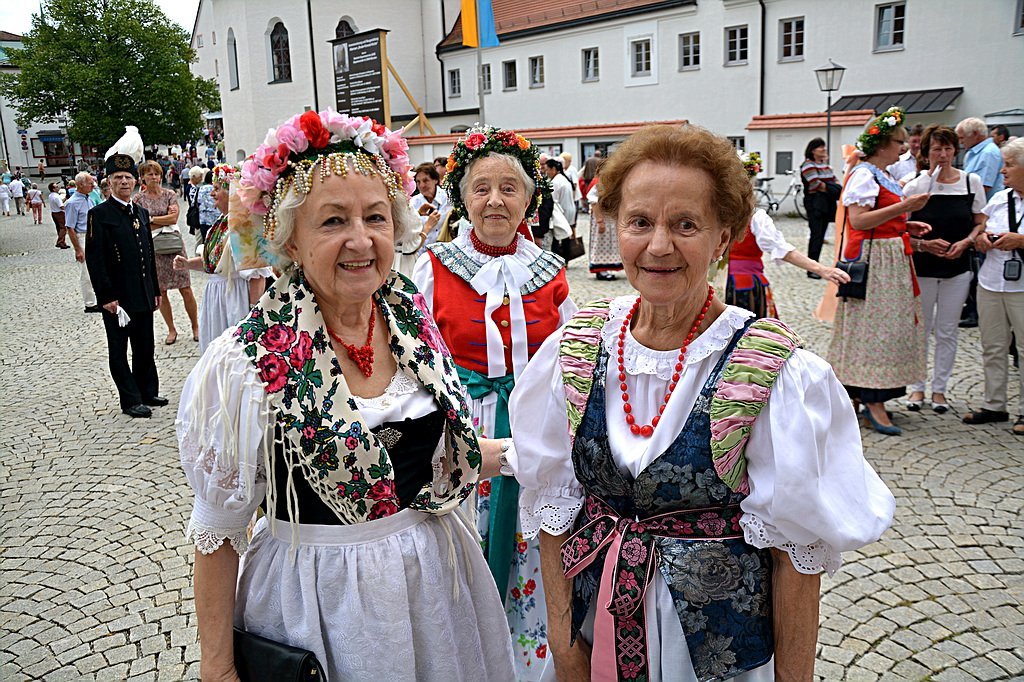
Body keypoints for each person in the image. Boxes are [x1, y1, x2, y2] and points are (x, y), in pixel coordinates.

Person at [506, 124, 895, 681]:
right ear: (617, 229)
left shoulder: (774, 371)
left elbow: (793, 558)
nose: (659, 245)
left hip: (716, 658)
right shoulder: (573, 350)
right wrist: (567, 655)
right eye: (640, 222)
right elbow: (554, 513)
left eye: (685, 224)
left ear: (723, 237)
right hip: (598, 639)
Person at [180, 109, 515, 681]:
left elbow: (429, 458)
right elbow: (218, 530)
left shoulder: (411, 318)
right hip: (320, 603)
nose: (361, 240)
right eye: (333, 221)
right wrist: (218, 669)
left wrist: (520, 456)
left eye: (375, 217)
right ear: (290, 239)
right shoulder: (243, 362)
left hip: (436, 588)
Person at [413, 126, 574, 680]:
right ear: (462, 197)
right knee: (461, 546)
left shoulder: (550, 273)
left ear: (529, 198)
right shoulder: (434, 267)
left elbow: (573, 360)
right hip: (462, 426)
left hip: (535, 426)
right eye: (481, 188)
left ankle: (530, 663)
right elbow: (417, 359)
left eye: (510, 188)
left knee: (535, 545)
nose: (495, 201)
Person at [828, 107, 932, 436]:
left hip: (890, 257)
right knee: (873, 329)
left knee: (887, 329)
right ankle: (871, 399)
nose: (904, 148)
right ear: (883, 143)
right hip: (874, 261)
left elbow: (880, 217)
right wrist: (905, 207)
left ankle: (865, 394)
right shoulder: (864, 174)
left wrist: (906, 223)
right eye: (899, 142)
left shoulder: (882, 175)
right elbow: (858, 220)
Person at [901, 125, 987, 413]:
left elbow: (980, 221)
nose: (943, 154)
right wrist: (923, 245)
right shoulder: (914, 184)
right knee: (920, 329)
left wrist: (967, 242)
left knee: (948, 330)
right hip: (923, 266)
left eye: (948, 148)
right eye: (937, 149)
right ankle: (917, 388)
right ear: (926, 152)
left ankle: (939, 390)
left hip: (957, 266)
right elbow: (900, 228)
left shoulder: (969, 182)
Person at [85, 131, 165, 419]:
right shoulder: (100, 215)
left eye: (127, 178)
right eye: (117, 178)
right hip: (117, 298)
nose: (123, 182)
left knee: (145, 346)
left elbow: (148, 255)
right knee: (119, 351)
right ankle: (130, 399)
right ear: (109, 183)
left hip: (143, 292)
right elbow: (96, 261)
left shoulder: (141, 214)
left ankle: (147, 390)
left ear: (135, 181)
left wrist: (155, 289)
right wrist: (105, 297)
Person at [172, 164, 271, 352]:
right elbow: (215, 264)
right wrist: (187, 264)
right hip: (217, 296)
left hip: (235, 296)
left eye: (217, 189)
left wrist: (252, 313)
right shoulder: (221, 223)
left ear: (231, 192)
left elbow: (257, 275)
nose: (212, 194)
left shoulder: (245, 226)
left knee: (234, 352)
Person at [963, 138, 1024, 436]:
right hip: (991, 280)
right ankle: (994, 404)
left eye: (1010, 165)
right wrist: (982, 240)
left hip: (1022, 286)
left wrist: (1021, 241)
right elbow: (981, 230)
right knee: (993, 345)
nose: (1002, 171)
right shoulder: (1001, 199)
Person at [726, 204, 850, 318]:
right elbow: (782, 250)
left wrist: (821, 270)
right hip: (744, 285)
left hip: (714, 283)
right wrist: (821, 269)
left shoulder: (711, 211)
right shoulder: (754, 217)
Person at [134, 160, 199, 345]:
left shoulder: (169, 194)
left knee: (185, 288)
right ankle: (171, 329)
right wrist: (161, 219)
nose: (154, 177)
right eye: (149, 174)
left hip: (174, 245)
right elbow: (141, 222)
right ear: (143, 177)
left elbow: (174, 217)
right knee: (161, 291)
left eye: (156, 173)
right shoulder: (138, 199)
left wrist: (152, 218)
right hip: (154, 248)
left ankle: (195, 326)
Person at [799, 137, 839, 271]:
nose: (824, 149)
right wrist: (833, 188)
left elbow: (834, 181)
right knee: (816, 235)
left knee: (821, 235)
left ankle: (816, 264)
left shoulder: (825, 165)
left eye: (824, 147)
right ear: (813, 150)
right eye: (820, 147)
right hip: (815, 203)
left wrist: (832, 187)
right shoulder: (808, 165)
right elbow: (816, 184)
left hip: (827, 203)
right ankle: (812, 267)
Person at [65, 172, 100, 313]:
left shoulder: (89, 198)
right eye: (90, 183)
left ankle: (98, 298)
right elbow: (70, 227)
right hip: (82, 236)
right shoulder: (72, 203)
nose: (93, 185)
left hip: (93, 236)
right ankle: (90, 303)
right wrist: (78, 249)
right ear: (80, 185)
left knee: (97, 270)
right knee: (86, 272)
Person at [586, 161, 624, 281]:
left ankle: (606, 268)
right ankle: (601, 269)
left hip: (607, 217)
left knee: (607, 244)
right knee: (601, 243)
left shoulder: (605, 182)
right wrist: (600, 220)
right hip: (602, 217)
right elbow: (593, 201)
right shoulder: (598, 184)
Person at [957, 117, 1005, 199]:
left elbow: (984, 187)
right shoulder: (973, 153)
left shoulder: (989, 153)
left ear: (975, 134)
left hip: (986, 208)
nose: (960, 142)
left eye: (962, 138)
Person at [197, 169, 218, 242]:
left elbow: (198, 201)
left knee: (205, 241)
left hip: (203, 219)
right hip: (216, 218)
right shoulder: (217, 189)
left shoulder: (201, 188)